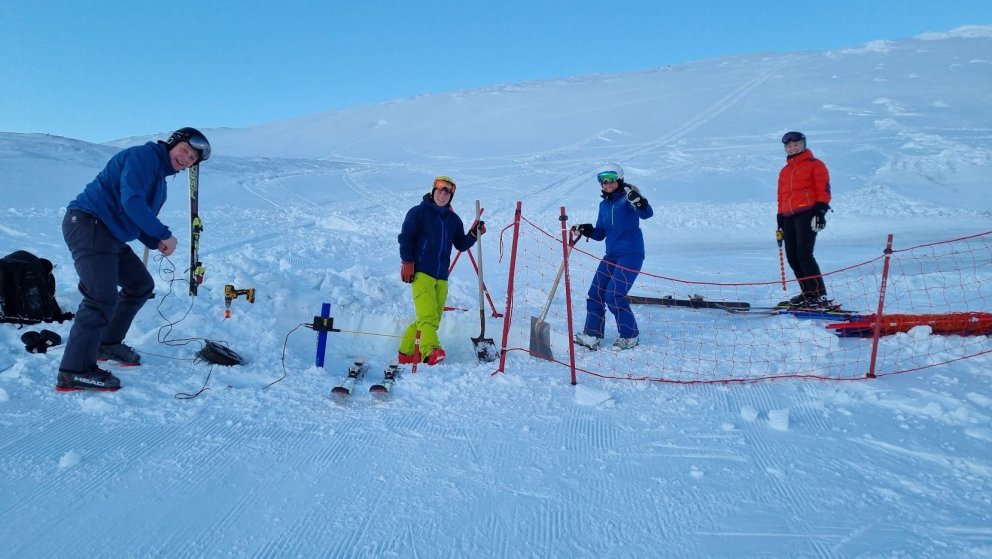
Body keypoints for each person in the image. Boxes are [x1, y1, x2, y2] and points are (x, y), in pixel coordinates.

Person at [56, 127, 211, 392]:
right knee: (100, 297)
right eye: (184, 151)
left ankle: (107, 343)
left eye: (192, 159)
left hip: (110, 234)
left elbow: (135, 219)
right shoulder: (144, 157)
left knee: (139, 285)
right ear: (171, 144)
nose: (186, 159)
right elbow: (132, 202)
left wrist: (155, 241)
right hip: (89, 224)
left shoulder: (159, 180)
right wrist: (163, 233)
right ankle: (74, 371)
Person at [397, 176, 485, 365]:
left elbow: (460, 245)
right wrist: (407, 262)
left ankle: (406, 352)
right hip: (421, 273)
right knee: (427, 317)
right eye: (440, 190)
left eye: (448, 192)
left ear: (451, 196)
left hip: (442, 277)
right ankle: (431, 351)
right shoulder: (418, 212)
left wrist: (473, 233)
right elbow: (406, 237)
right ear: (433, 191)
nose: (443, 194)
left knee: (432, 319)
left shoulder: (453, 219)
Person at [570, 163, 654, 351]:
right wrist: (587, 230)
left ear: (619, 179)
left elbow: (647, 214)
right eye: (603, 180)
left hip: (631, 254)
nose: (607, 183)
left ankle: (629, 335)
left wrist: (639, 201)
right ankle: (593, 334)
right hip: (612, 254)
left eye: (611, 179)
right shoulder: (604, 205)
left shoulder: (628, 199)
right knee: (595, 293)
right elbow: (600, 234)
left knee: (614, 295)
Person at [776, 131, 832, 309]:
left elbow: (823, 188)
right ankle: (807, 293)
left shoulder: (815, 165)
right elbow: (781, 196)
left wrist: (820, 211)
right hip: (788, 216)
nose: (793, 148)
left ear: (803, 145)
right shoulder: (785, 171)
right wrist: (780, 218)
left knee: (804, 254)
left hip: (807, 213)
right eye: (789, 146)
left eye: (796, 144)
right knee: (792, 256)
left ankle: (818, 295)